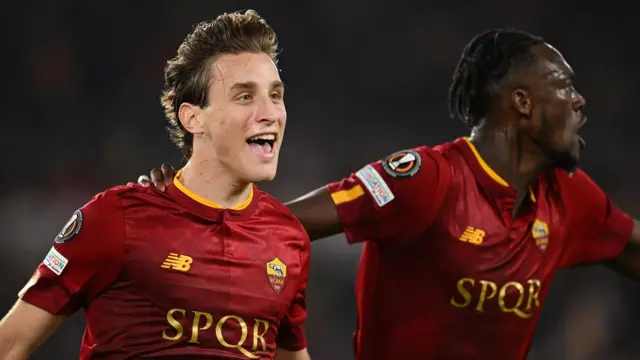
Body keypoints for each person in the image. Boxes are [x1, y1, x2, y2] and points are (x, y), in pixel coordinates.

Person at [142, 28, 640, 360]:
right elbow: (277, 226)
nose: (579, 100)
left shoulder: (569, 199)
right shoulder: (427, 180)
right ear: (523, 103)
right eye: (563, 86)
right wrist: (189, 206)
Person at [0, 10, 311, 360]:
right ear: (193, 117)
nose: (269, 112)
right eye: (244, 96)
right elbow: (10, 344)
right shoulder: (116, 219)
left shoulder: (288, 238)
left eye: (275, 95)